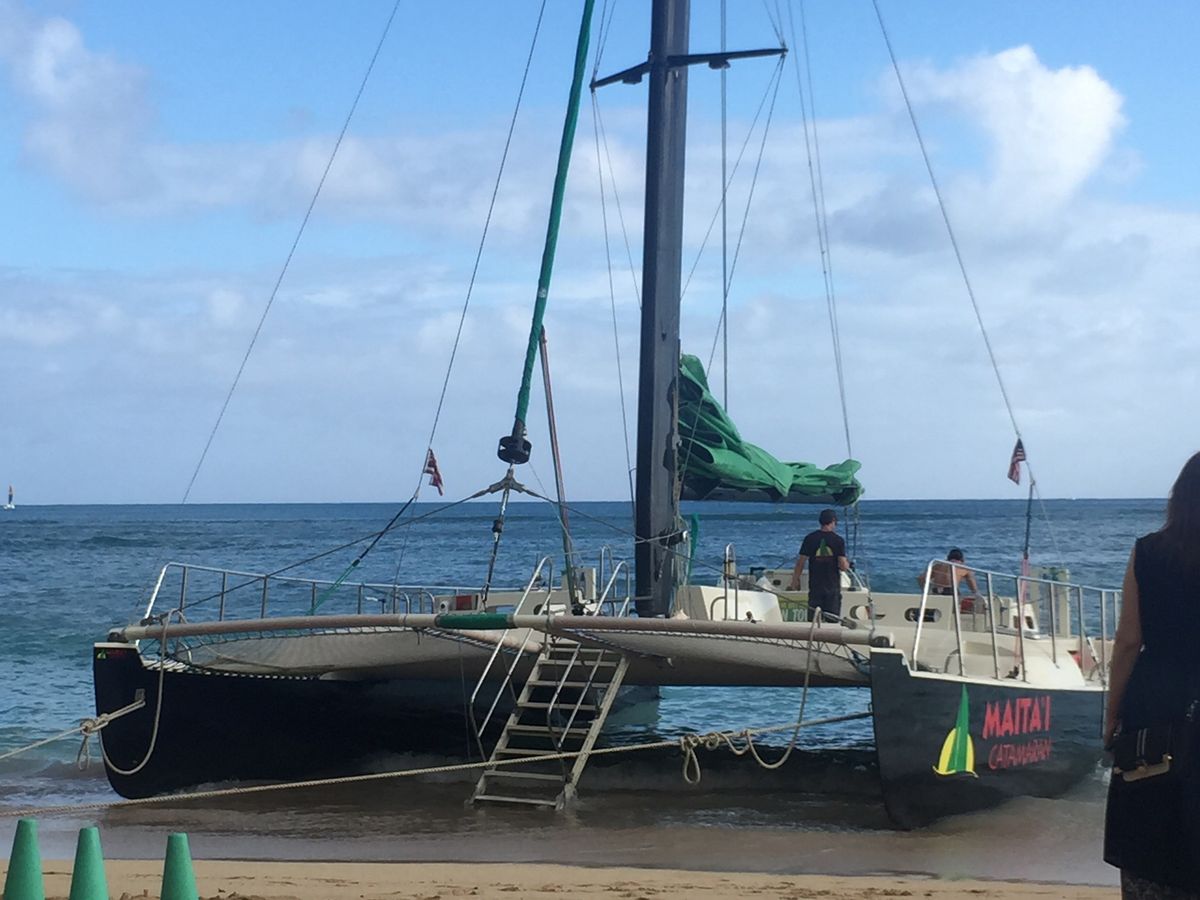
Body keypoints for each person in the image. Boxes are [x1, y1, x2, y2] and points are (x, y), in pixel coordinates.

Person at [1104, 451, 1200, 896]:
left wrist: (1112, 714)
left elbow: (1128, 640)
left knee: (1148, 817)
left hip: (1156, 697)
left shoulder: (1148, 551)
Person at [787, 508, 849, 620]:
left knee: (813, 620)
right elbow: (843, 566)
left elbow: (800, 562)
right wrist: (847, 564)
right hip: (832, 586)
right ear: (833, 521)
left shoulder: (810, 538)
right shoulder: (838, 540)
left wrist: (795, 580)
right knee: (832, 620)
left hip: (815, 586)